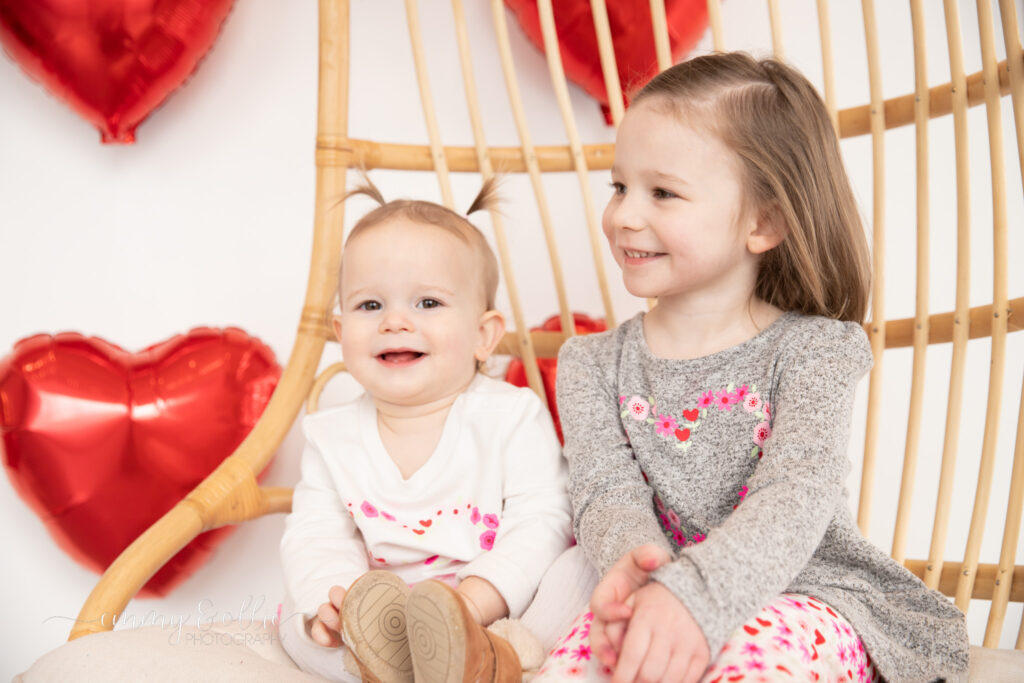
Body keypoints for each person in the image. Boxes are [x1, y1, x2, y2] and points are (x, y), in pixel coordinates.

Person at [536, 52, 970, 683]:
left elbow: (796, 495)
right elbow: (606, 494)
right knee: (583, 665)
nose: (624, 215)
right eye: (619, 187)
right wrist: (641, 579)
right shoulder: (590, 364)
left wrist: (698, 596)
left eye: (662, 192)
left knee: (746, 662)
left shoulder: (816, 351)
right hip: (657, 594)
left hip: (810, 594)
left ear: (763, 222)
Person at [279, 177, 573, 683]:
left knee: (578, 570)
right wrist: (336, 602)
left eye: (428, 304)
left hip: (501, 606)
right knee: (294, 619)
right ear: (341, 330)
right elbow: (316, 534)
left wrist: (474, 601)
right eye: (370, 306)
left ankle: (487, 651)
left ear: (484, 336)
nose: (395, 321)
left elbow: (542, 519)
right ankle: (394, 660)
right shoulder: (332, 436)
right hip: (384, 616)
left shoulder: (510, 416)